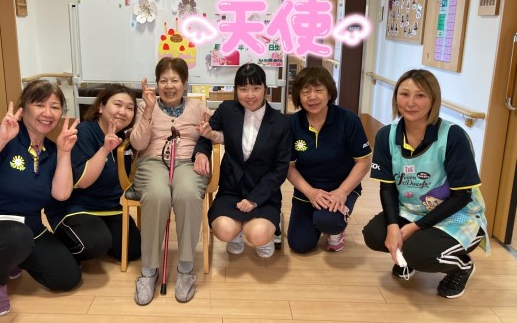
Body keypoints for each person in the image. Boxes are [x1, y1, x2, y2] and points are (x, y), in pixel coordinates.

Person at [0, 80, 81, 316]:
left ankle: (11, 258)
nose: (48, 113)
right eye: (39, 104)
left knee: (67, 277)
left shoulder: (52, 150)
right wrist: (1, 139)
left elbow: (61, 194)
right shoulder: (0, 134)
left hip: (29, 230)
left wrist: (64, 153)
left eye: (55, 107)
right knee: (17, 237)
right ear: (24, 107)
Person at [362, 69, 489, 298]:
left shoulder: (453, 136)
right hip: (411, 210)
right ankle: (411, 255)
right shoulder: (386, 136)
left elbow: (462, 196)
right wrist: (393, 227)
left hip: (458, 214)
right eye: (404, 94)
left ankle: (462, 266)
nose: (410, 103)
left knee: (419, 253)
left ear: (433, 100)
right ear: (396, 97)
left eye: (420, 95)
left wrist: (414, 228)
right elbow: (387, 187)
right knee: (374, 234)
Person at [130, 57, 217, 305]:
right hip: (152, 162)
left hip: (188, 163)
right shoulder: (145, 106)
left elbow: (219, 134)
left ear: (185, 83)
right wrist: (148, 111)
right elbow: (137, 144)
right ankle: (149, 271)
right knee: (157, 195)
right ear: (157, 84)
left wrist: (209, 137)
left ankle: (186, 269)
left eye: (175, 80)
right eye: (163, 80)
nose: (169, 86)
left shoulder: (198, 107)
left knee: (187, 194)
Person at [198, 63, 292, 259]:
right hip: (231, 189)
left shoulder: (281, 122)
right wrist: (201, 153)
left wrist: (254, 199)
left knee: (258, 235)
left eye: (256, 88)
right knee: (224, 230)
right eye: (243, 89)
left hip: (264, 193)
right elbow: (205, 135)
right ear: (236, 90)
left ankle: (265, 233)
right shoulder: (227, 110)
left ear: (265, 88)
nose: (250, 95)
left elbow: (280, 168)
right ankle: (237, 231)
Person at [45, 84, 141, 265]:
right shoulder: (84, 132)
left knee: (133, 249)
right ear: (101, 107)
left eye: (130, 108)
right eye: (117, 104)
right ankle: (58, 244)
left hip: (109, 207)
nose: (123, 112)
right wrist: (105, 150)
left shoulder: (124, 139)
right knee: (95, 243)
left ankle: (98, 235)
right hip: (75, 207)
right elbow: (83, 182)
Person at [286, 67, 372, 253]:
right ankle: (317, 218)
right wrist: (310, 192)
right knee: (300, 245)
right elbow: (289, 167)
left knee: (329, 221)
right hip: (307, 191)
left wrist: (342, 192)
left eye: (318, 90)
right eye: (306, 92)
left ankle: (334, 228)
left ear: (329, 93)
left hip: (340, 188)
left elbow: (364, 162)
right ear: (298, 96)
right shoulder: (292, 123)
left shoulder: (348, 120)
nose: (312, 97)